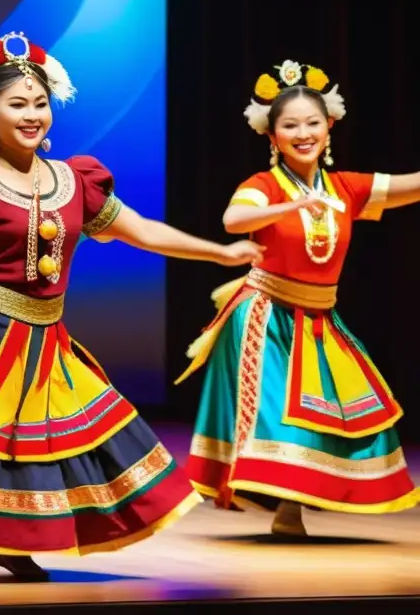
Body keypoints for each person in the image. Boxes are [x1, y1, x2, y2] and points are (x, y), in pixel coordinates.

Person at [0, 33, 263, 580]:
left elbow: (144, 232)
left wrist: (219, 251)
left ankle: (13, 538)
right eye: (17, 104)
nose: (32, 115)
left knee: (57, 441)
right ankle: (5, 538)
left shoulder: (74, 181)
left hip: (47, 333)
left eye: (40, 103)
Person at [177, 59, 420, 535]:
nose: (303, 133)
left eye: (313, 123)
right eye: (290, 125)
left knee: (352, 409)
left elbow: (408, 187)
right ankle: (288, 510)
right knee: (280, 415)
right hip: (262, 316)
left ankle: (299, 502)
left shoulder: (345, 188)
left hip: (319, 318)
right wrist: (292, 204)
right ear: (272, 136)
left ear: (329, 127)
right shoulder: (263, 186)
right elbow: (233, 221)